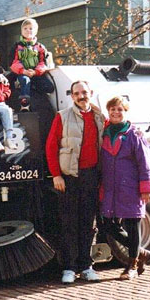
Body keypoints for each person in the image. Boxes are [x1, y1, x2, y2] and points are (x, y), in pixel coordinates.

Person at [45, 80, 105, 284]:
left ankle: (86, 266)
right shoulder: (62, 116)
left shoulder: (99, 117)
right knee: (69, 223)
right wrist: (56, 175)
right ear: (71, 96)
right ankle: (69, 268)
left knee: (88, 223)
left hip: (91, 176)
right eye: (77, 93)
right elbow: (51, 147)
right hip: (69, 177)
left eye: (84, 92)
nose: (81, 96)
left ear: (91, 93)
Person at [100, 96, 150, 280]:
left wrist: (146, 187)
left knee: (133, 226)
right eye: (112, 109)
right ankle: (141, 252)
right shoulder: (105, 133)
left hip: (130, 187)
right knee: (108, 224)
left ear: (125, 111)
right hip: (110, 187)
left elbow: (144, 162)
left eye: (119, 109)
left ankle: (132, 265)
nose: (116, 112)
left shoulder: (135, 135)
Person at [10, 18, 54, 112]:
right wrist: (23, 71)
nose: (28, 31)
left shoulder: (40, 47)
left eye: (31, 28)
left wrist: (35, 71)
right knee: (25, 81)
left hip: (35, 73)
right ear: (21, 31)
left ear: (36, 31)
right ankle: (24, 104)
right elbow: (13, 62)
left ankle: (39, 98)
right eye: (25, 28)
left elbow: (43, 62)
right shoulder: (17, 46)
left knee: (49, 87)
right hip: (21, 73)